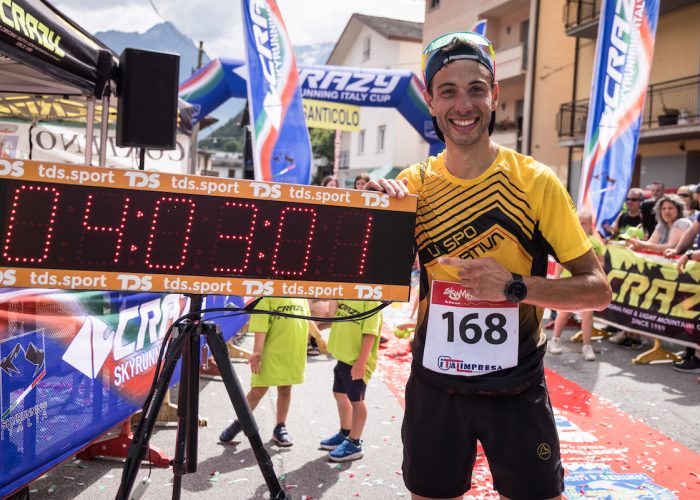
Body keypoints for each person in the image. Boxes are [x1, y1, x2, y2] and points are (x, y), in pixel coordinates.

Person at [366, 32, 611, 500]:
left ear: (495, 95)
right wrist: (378, 223)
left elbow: (597, 290)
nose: (464, 104)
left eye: (476, 88)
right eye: (449, 91)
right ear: (431, 102)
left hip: (515, 389)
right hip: (435, 388)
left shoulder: (536, 182)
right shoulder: (411, 184)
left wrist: (515, 287)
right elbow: (382, 283)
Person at [218, 297, 309, 446]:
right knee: (257, 391)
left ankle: (280, 427)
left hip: (292, 353)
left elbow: (307, 320)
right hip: (270, 353)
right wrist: (257, 351)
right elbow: (261, 325)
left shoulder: (300, 296)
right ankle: (241, 422)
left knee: (285, 389)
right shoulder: (267, 297)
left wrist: (318, 336)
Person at [320, 299, 382, 462]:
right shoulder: (348, 293)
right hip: (343, 357)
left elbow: (370, 333)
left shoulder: (372, 300)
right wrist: (335, 294)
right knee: (339, 394)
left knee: (357, 401)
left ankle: (354, 443)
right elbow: (332, 314)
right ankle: (345, 433)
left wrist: (361, 362)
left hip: (356, 361)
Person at [548, 210, 604, 361]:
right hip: (568, 283)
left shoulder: (595, 243)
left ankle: (587, 346)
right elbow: (560, 262)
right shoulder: (567, 240)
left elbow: (601, 262)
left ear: (590, 225)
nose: (580, 225)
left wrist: (597, 278)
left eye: (583, 223)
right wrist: (556, 278)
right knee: (563, 313)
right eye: (577, 222)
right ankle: (555, 339)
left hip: (586, 284)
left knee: (587, 315)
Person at [626, 194, 691, 253]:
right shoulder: (662, 225)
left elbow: (671, 247)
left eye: (670, 208)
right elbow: (650, 243)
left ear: (679, 210)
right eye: (663, 209)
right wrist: (635, 243)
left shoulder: (682, 222)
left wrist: (643, 245)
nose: (666, 211)